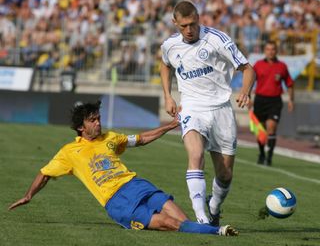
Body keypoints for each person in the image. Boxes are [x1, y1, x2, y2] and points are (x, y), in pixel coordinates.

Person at [8, 101, 238, 236]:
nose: (98, 123)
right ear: (80, 127)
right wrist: (29, 195)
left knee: (183, 220)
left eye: (98, 118)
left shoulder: (111, 138)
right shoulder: (68, 152)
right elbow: (44, 173)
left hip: (136, 185)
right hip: (117, 201)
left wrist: (169, 126)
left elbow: (141, 138)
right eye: (92, 120)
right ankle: (220, 231)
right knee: (170, 224)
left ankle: (211, 228)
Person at [160, 1, 255, 226]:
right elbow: (165, 65)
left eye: (192, 24)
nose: (189, 30)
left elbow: (247, 68)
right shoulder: (169, 45)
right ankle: (201, 218)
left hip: (221, 109)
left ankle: (213, 208)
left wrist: (244, 90)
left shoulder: (217, 40)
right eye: (183, 26)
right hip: (192, 107)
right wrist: (167, 95)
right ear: (175, 23)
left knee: (225, 174)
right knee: (196, 155)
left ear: (199, 18)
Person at [252, 40, 294, 166]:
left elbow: (290, 84)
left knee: (271, 127)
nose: (270, 52)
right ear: (264, 51)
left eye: (273, 49)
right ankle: (261, 153)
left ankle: (269, 157)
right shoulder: (258, 65)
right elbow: (250, 80)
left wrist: (291, 100)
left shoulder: (282, 66)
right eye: (268, 49)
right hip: (260, 100)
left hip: (275, 101)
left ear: (276, 51)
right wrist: (247, 96)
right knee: (260, 131)